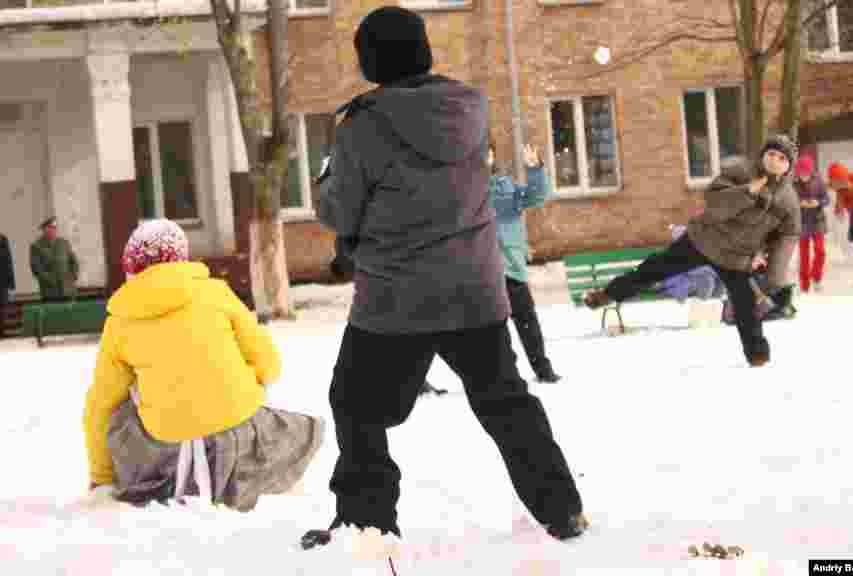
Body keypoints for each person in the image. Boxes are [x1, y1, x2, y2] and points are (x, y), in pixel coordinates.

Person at [312, 6, 587, 559]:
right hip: (475, 289)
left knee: (357, 403)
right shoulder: (469, 108)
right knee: (505, 401)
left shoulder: (363, 126)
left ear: (371, 59)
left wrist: (327, 179)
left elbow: (341, 213)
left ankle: (367, 521)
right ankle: (562, 509)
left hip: (396, 297)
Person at [83, 219, 323, 510]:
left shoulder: (120, 320)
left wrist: (101, 477)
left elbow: (100, 407)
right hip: (238, 435)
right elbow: (269, 365)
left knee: (119, 410)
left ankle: (167, 480)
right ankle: (242, 470)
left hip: (165, 448)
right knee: (259, 406)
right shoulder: (216, 294)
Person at [583, 133, 801, 367]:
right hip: (703, 241)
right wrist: (747, 191)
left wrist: (773, 271)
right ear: (762, 154)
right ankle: (608, 294)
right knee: (653, 269)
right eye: (771, 154)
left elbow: (787, 236)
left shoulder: (788, 200)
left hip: (736, 258)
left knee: (745, 307)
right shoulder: (740, 172)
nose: (774, 161)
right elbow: (714, 203)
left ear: (788, 166)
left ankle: (758, 357)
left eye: (781, 158)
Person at [489, 139, 561, 383]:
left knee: (527, 321)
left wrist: (535, 170)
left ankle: (542, 368)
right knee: (493, 330)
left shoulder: (505, 189)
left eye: (486, 152)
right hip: (480, 272)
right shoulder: (463, 189)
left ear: (492, 156)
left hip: (510, 268)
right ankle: (505, 375)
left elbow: (537, 196)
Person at [794, 156, 830, 292]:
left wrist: (818, 202)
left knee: (820, 251)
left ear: (811, 171)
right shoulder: (794, 184)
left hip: (817, 221)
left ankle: (816, 277)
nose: (804, 175)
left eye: (806, 172)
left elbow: (826, 198)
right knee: (804, 255)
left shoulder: (819, 181)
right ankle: (804, 285)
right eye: (801, 172)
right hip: (802, 222)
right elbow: (791, 201)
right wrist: (799, 203)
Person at [30, 217, 79, 301]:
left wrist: (73, 276)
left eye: (54, 228)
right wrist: (51, 280)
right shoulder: (36, 246)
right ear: (44, 230)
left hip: (68, 290)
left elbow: (73, 262)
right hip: (50, 291)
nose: (53, 230)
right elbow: (36, 268)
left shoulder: (63, 243)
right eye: (50, 228)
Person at [0, 232, 13, 338]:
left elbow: (8, 261)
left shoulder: (2, 239)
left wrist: (11, 283)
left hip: (2, 281)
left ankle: (1, 331)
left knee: (2, 308)